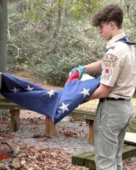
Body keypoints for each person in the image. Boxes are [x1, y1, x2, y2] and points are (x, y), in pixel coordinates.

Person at [71, 4, 136, 170]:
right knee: (116, 159)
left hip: (111, 110)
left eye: (101, 27)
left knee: (105, 163)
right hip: (126, 107)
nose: (100, 31)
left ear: (112, 24)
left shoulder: (114, 51)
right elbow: (104, 64)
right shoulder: (127, 46)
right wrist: (83, 68)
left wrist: (79, 97)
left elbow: (104, 89)